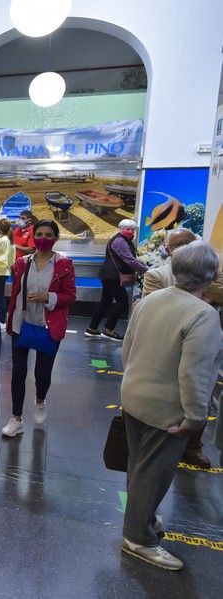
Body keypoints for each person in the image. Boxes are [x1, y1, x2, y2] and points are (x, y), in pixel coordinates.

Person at [120, 241, 222, 571]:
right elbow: (195, 373)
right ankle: (139, 538)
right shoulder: (203, 315)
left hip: (134, 397)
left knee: (138, 468)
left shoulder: (150, 301)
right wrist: (195, 418)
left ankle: (142, 519)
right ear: (211, 275)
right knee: (154, 474)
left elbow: (128, 348)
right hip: (168, 411)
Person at [141, 228, 221, 469]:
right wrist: (205, 295)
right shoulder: (156, 274)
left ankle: (193, 446)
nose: (184, 248)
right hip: (164, 347)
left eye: (188, 243)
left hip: (203, 348)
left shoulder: (213, 275)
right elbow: (156, 308)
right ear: (167, 250)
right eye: (178, 245)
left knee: (201, 391)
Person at [2, 220, 76, 438]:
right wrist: (10, 315)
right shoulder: (22, 263)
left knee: (42, 373)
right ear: (33, 236)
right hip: (20, 322)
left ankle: (41, 399)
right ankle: (16, 418)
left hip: (48, 325)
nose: (43, 238)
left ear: (55, 238)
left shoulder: (64, 264)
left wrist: (49, 297)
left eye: (48, 234)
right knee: (18, 371)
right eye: (40, 234)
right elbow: (16, 292)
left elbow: (71, 296)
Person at [85, 219, 149, 340]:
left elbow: (130, 259)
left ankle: (92, 329)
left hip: (108, 275)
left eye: (132, 229)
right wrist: (146, 270)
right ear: (121, 229)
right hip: (113, 276)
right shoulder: (120, 241)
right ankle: (109, 330)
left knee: (105, 302)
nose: (130, 231)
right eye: (127, 229)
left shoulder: (121, 239)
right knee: (122, 302)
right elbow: (129, 259)